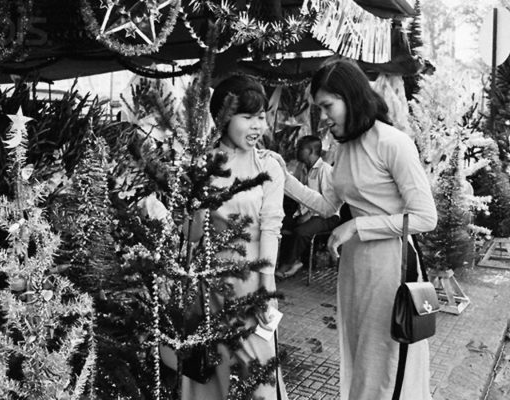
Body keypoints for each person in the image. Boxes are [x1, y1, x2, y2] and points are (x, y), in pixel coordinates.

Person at [271, 59, 437, 400]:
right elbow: (329, 205)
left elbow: (424, 217)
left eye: (328, 106)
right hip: (355, 266)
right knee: (358, 351)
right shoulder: (342, 147)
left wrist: (359, 226)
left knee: (385, 357)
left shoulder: (393, 143)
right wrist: (284, 178)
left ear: (350, 96)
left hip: (391, 264)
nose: (324, 116)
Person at [182, 75, 288, 400]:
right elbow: (192, 236)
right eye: (248, 116)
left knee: (260, 380)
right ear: (224, 117)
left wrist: (266, 290)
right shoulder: (203, 164)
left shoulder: (268, 165)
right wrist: (196, 204)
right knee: (212, 374)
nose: (258, 125)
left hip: (252, 286)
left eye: (261, 116)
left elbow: (272, 228)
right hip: (211, 288)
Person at [276, 135, 340, 278]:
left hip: (327, 216)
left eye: (300, 148)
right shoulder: (302, 169)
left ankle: (289, 264)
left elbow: (330, 203)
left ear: (311, 151)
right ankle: (294, 260)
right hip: (305, 213)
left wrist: (309, 215)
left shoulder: (325, 170)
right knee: (279, 224)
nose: (297, 150)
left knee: (302, 232)